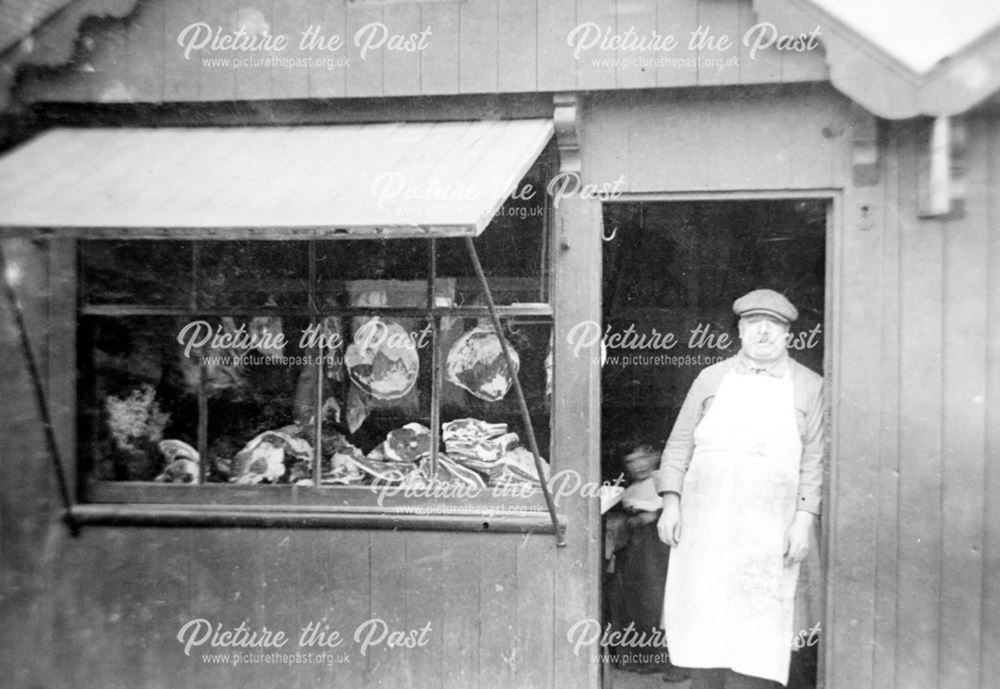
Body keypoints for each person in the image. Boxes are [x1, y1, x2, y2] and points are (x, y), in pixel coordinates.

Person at [655, 289, 825, 689]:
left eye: (774, 325)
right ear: (741, 330)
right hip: (708, 527)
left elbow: (815, 461)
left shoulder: (809, 386)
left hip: (770, 530)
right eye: (753, 324)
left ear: (788, 333)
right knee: (705, 626)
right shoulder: (711, 378)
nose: (763, 332)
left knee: (760, 635)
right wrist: (671, 503)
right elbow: (680, 444)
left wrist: (802, 521)